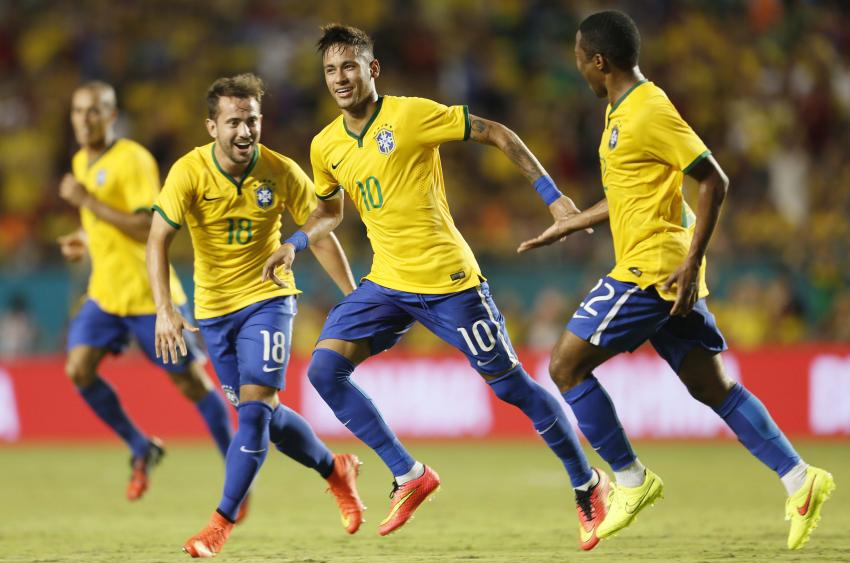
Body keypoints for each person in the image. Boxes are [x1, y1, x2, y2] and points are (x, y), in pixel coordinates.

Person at [262, 24, 607, 549]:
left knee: (511, 387)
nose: (340, 78)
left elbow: (497, 132)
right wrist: (296, 242)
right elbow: (330, 211)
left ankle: (587, 482)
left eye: (350, 66)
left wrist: (553, 198)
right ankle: (409, 474)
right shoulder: (325, 145)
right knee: (325, 371)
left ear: (372, 69)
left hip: (449, 281)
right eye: (331, 70)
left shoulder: (411, 115)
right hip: (386, 282)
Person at [518, 10, 835, 550]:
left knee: (565, 367)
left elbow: (713, 179)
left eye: (580, 59)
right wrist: (574, 221)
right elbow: (634, 192)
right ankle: (799, 478)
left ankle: (630, 479)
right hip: (663, 268)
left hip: (652, 269)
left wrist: (692, 263)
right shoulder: (620, 111)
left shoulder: (649, 109)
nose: (578, 68)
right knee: (711, 386)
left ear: (600, 61)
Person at [147, 73, 364, 559]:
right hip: (213, 313)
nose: (245, 131)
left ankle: (219, 524)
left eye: (252, 120)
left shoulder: (280, 169)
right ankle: (336, 470)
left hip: (269, 300)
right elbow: (158, 238)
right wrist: (164, 308)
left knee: (254, 411)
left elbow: (321, 229)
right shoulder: (188, 172)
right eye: (234, 122)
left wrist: (353, 297)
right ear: (212, 127)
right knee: (266, 417)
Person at [58, 81, 233, 503]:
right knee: (78, 369)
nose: (85, 119)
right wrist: (85, 237)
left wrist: (87, 201)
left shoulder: (133, 159)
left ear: (112, 115)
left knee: (190, 384)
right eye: (78, 111)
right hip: (106, 293)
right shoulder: (81, 160)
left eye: (94, 110)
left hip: (148, 295)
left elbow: (146, 226)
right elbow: (107, 223)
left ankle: (237, 465)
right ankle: (141, 447)